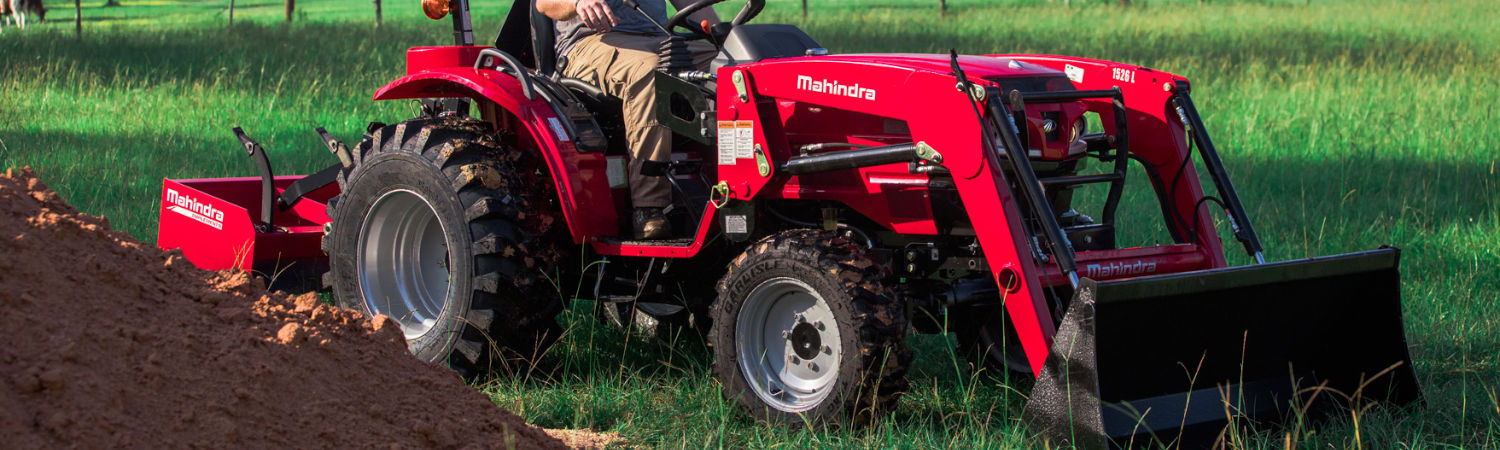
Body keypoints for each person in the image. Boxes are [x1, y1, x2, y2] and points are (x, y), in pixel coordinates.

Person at [537, 0, 720, 240]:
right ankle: (649, 208)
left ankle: (743, 188)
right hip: (590, 43)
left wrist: (722, 32)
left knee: (730, 66)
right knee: (650, 72)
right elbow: (544, 4)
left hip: (659, 39)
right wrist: (578, 2)